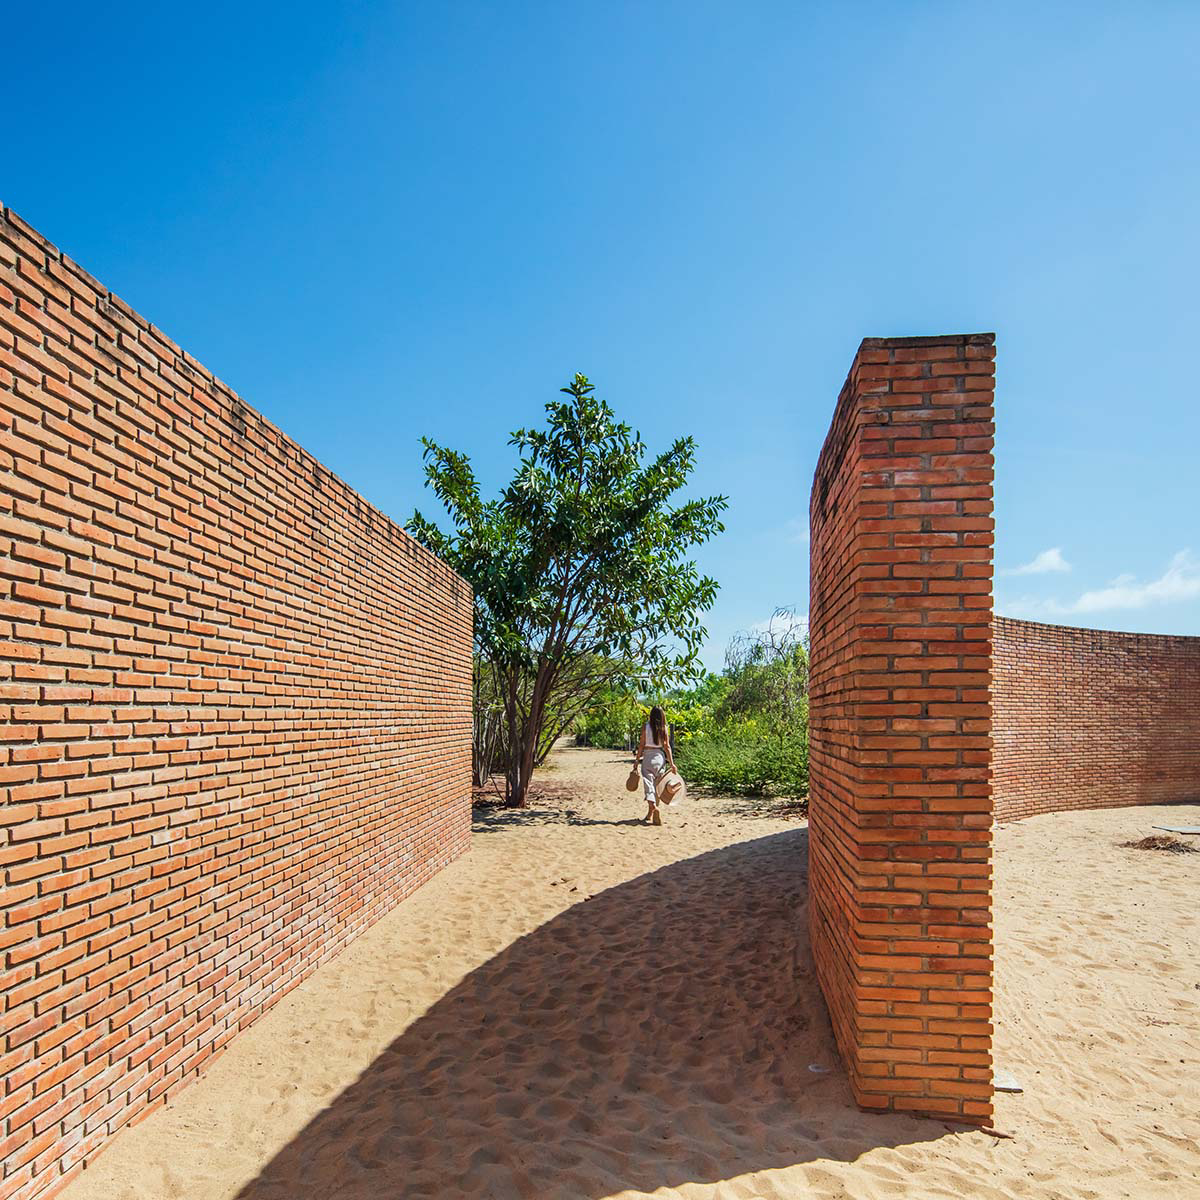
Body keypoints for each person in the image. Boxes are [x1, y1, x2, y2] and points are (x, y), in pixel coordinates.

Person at [635, 705, 676, 826]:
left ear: (651, 716)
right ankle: (650, 814)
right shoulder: (664, 728)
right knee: (657, 786)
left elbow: (641, 745)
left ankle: (653, 807)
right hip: (660, 758)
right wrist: (672, 764)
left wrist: (637, 760)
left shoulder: (645, 726)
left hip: (648, 757)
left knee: (649, 786)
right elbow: (667, 746)